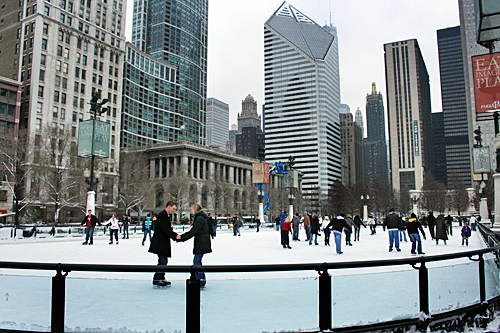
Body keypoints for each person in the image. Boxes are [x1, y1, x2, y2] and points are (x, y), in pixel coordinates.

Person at [177, 204, 212, 288]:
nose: (191, 211)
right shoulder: (201, 217)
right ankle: (200, 279)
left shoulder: (199, 218)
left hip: (201, 243)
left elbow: (193, 231)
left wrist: (181, 237)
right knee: (197, 261)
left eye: (192, 209)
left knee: (196, 262)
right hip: (202, 241)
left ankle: (200, 280)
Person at [148, 201, 178, 287]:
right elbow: (166, 229)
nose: (173, 210)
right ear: (168, 206)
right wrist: (175, 236)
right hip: (160, 242)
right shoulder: (162, 215)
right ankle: (157, 278)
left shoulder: (164, 215)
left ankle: (161, 277)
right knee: (162, 261)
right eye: (173, 208)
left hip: (162, 242)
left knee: (163, 260)